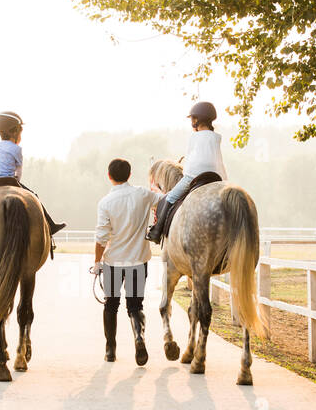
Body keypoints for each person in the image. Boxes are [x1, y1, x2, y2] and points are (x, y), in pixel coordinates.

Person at [0, 111, 65, 248]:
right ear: (15, 132)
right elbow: (19, 170)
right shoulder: (16, 149)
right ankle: (51, 227)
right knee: (34, 196)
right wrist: (16, 183)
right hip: (9, 181)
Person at [92, 158, 157, 364]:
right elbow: (163, 200)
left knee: (111, 305)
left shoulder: (105, 203)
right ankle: (139, 337)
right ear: (130, 175)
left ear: (109, 176)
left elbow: (101, 237)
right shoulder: (143, 195)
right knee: (135, 305)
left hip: (113, 262)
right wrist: (154, 188)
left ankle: (110, 349)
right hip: (138, 261)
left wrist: (96, 261)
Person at [145, 101, 228, 244]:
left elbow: (190, 157)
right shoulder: (217, 137)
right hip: (217, 176)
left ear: (196, 120)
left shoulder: (194, 137)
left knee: (170, 198)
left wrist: (186, 172)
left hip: (194, 175)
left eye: (192, 119)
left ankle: (156, 231)